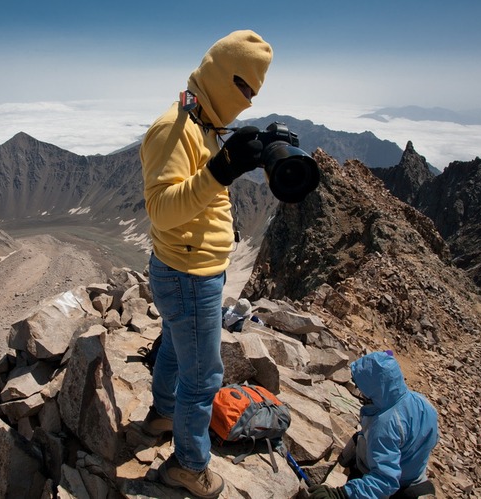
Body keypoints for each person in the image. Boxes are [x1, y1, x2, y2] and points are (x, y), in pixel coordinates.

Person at [139, 30, 272, 498]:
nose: (249, 104)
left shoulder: (203, 124)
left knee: (177, 350)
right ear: (220, 75)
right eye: (245, 90)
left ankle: (161, 415)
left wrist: (233, 158)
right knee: (203, 378)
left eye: (255, 95)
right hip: (189, 276)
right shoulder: (172, 130)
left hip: (194, 273)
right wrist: (222, 169)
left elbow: (200, 194)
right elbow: (161, 208)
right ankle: (189, 466)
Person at [309, 351, 440, 499]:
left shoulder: (384, 424)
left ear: (373, 389)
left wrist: (341, 494)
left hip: (387, 489)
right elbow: (432, 438)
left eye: (361, 388)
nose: (361, 393)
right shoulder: (421, 402)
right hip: (415, 478)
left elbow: (385, 481)